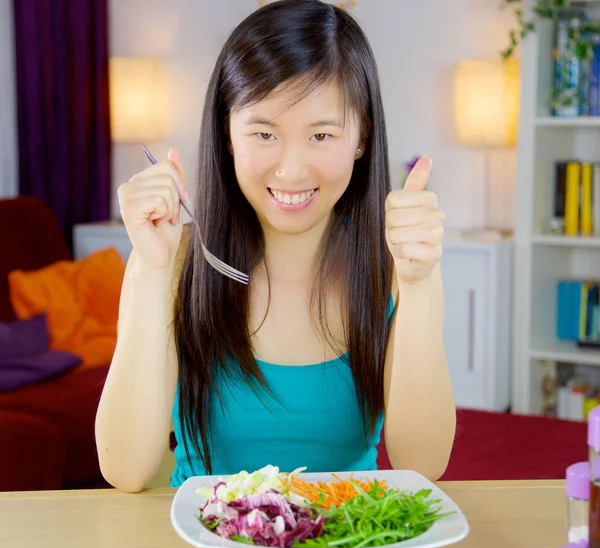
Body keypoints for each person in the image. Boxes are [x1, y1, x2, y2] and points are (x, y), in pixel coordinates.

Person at [95, 0, 456, 493]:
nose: (291, 170)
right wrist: (149, 271)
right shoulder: (177, 262)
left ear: (362, 135)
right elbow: (126, 469)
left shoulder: (392, 268)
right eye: (264, 133)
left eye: (321, 134)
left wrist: (420, 283)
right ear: (227, 133)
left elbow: (424, 464)